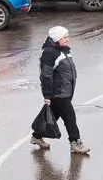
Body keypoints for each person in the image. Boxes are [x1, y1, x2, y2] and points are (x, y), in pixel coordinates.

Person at [35, 25, 88, 156]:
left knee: (53, 116)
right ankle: (75, 143)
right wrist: (47, 95)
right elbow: (45, 75)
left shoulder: (64, 50)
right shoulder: (49, 53)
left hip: (65, 91)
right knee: (70, 117)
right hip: (57, 93)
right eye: (65, 37)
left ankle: (36, 136)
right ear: (57, 38)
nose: (68, 39)